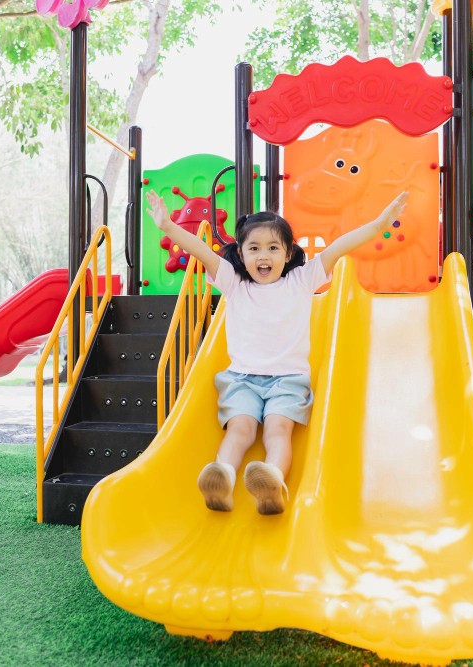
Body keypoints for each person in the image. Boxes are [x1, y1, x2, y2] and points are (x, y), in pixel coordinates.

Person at [146, 190, 409, 515]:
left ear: (288, 254)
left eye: (273, 248)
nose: (263, 256)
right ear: (241, 255)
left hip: (287, 381)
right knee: (240, 428)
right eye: (254, 249)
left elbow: (340, 246)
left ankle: (272, 479)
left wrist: (379, 224)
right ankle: (222, 475)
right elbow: (202, 251)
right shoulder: (234, 283)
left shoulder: (300, 280)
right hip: (241, 379)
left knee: (277, 429)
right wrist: (168, 227)